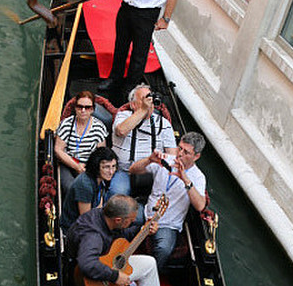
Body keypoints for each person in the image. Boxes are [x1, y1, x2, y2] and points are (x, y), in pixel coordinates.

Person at [129, 132, 206, 270]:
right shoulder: (166, 160)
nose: (180, 154)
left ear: (196, 156)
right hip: (146, 211)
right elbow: (133, 170)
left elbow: (200, 206)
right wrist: (149, 160)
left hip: (168, 224)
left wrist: (185, 180)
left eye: (186, 152)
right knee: (121, 213)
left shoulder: (198, 177)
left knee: (164, 249)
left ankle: (145, 276)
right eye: (180, 148)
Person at [109, 83, 176, 199]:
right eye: (145, 100)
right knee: (117, 195)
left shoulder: (163, 123)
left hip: (150, 174)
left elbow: (172, 156)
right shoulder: (123, 115)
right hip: (124, 171)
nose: (149, 103)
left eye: (150, 100)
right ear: (133, 104)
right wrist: (142, 111)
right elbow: (121, 131)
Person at [55, 91, 108, 195]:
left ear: (92, 109)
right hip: (68, 163)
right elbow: (58, 149)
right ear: (75, 108)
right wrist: (76, 166)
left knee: (90, 187)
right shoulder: (67, 124)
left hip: (89, 165)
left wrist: (87, 166)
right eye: (80, 107)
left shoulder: (99, 127)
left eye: (87, 107)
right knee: (70, 187)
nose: (83, 110)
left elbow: (101, 154)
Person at [61, 146, 118, 232]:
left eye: (113, 166)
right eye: (106, 167)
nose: (111, 171)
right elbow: (86, 219)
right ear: (96, 166)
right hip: (74, 230)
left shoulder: (102, 178)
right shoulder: (84, 185)